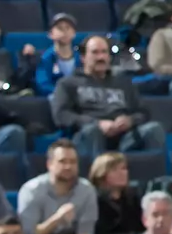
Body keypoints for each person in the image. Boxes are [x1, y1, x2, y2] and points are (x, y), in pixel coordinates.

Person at [52, 35, 166, 165]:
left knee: (154, 129)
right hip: (89, 136)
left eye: (104, 52)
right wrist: (96, 123)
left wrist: (130, 120)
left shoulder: (123, 83)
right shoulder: (68, 83)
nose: (100, 57)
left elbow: (144, 112)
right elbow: (61, 115)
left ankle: (159, 181)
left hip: (124, 136)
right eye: (95, 52)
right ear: (83, 57)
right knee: (92, 131)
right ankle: (97, 178)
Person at [17, 139, 97, 234]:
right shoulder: (32, 190)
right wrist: (58, 218)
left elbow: (87, 233)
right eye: (62, 161)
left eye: (73, 162)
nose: (68, 166)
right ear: (49, 164)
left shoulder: (86, 190)